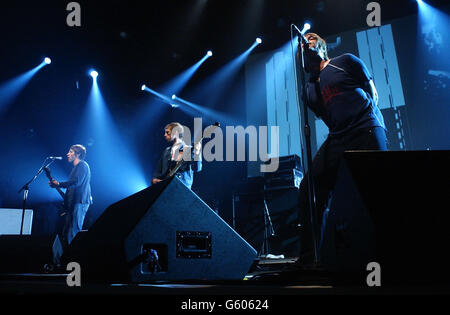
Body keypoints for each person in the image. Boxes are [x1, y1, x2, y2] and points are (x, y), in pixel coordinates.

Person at [296, 33, 388, 262]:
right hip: (338, 137)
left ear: (322, 46)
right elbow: (327, 116)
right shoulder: (308, 90)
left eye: (310, 38)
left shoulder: (345, 61)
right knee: (310, 189)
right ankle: (310, 258)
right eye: (302, 42)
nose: (305, 41)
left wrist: (369, 125)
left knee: (378, 191)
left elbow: (373, 94)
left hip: (365, 128)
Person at [49, 144, 92, 247]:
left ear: (78, 154)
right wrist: (58, 187)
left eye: (71, 152)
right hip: (74, 202)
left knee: (74, 231)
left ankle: (74, 258)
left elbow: (77, 182)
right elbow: (72, 187)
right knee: (68, 232)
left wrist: (59, 184)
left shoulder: (82, 165)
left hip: (80, 202)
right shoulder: (75, 168)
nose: (67, 154)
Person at [152, 122, 202, 189]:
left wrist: (197, 152)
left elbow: (197, 168)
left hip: (181, 188)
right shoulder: (167, 150)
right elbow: (159, 169)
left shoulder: (189, 149)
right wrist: (155, 179)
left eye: (167, 132)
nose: (165, 135)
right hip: (166, 187)